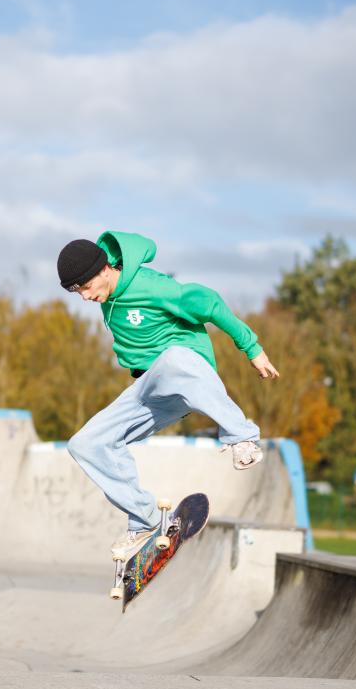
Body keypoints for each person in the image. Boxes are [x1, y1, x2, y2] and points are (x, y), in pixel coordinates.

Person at [57, 231, 280, 561]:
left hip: (187, 371)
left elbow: (209, 302)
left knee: (173, 358)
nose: (86, 297)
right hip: (151, 388)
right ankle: (144, 520)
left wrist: (252, 348)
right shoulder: (108, 296)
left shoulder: (150, 286)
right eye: (78, 292)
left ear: (104, 269)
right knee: (85, 444)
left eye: (87, 287)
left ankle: (242, 436)